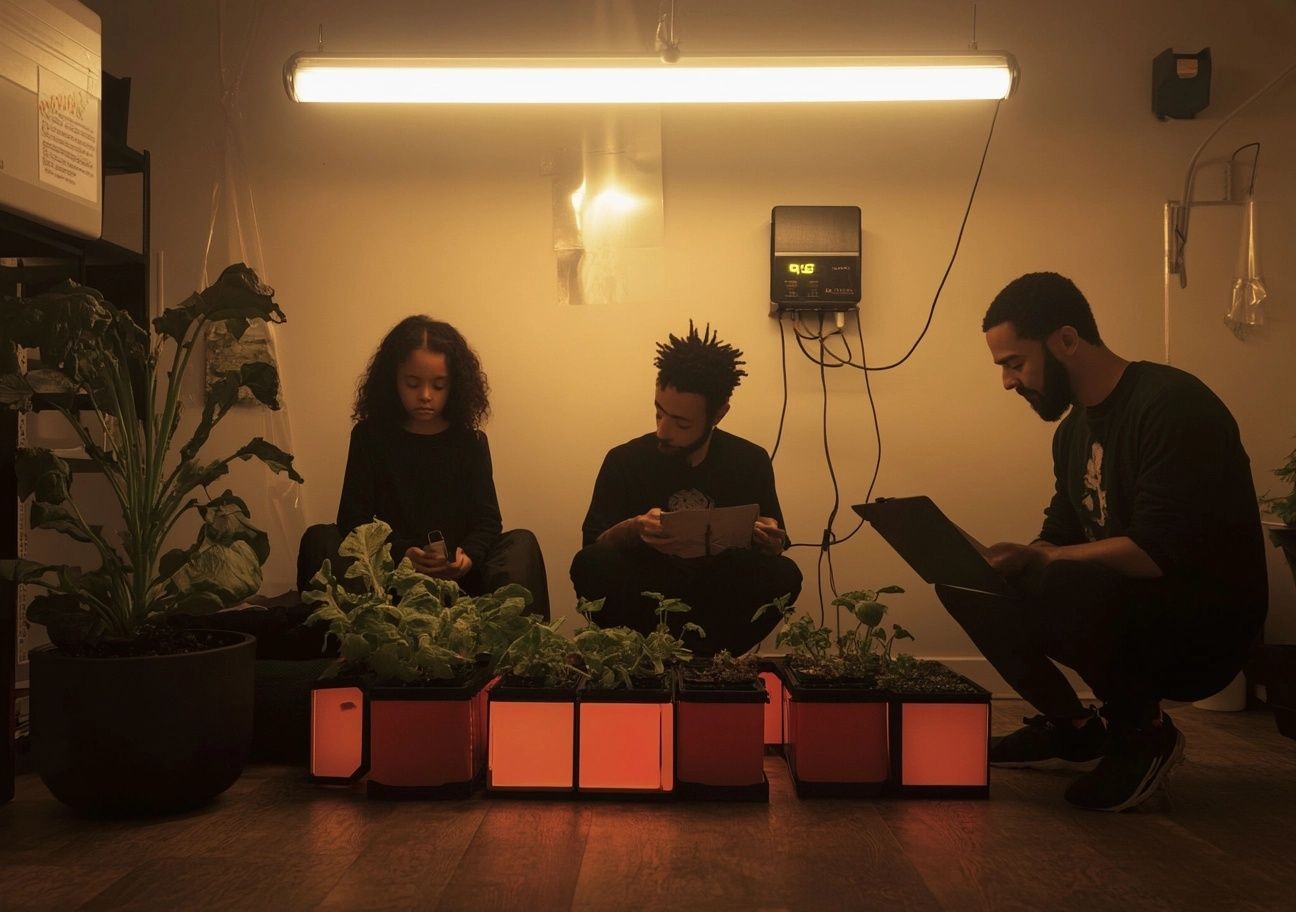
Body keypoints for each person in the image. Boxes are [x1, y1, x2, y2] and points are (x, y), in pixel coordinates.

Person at [941, 271, 1267, 812]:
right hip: (1133, 608)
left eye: (1014, 363)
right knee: (971, 586)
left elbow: (1156, 552)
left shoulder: (1172, 404)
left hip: (1206, 626)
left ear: (1066, 341)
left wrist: (1044, 559)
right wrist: (1013, 562)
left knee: (1060, 575)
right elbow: (1061, 534)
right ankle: (1074, 729)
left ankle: (1144, 734)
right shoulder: (1072, 433)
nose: (1008, 382)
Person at [570, 322, 802, 655]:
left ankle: (708, 661)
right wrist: (635, 528)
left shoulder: (749, 460)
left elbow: (774, 544)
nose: (663, 431)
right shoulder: (624, 460)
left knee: (784, 574)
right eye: (658, 414)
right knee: (591, 565)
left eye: (681, 423)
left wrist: (769, 540)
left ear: (718, 415)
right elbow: (593, 547)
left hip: (716, 593)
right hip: (647, 590)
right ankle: (648, 656)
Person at [298, 316, 549, 619]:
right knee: (320, 538)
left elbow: (487, 521)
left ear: (454, 386)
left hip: (460, 579)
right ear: (393, 381)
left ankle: (514, 651)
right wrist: (401, 553)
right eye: (413, 383)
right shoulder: (370, 437)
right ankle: (344, 644)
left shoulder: (470, 441)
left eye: (439, 385)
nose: (426, 395)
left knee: (521, 543)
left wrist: (467, 556)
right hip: (388, 578)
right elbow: (353, 518)